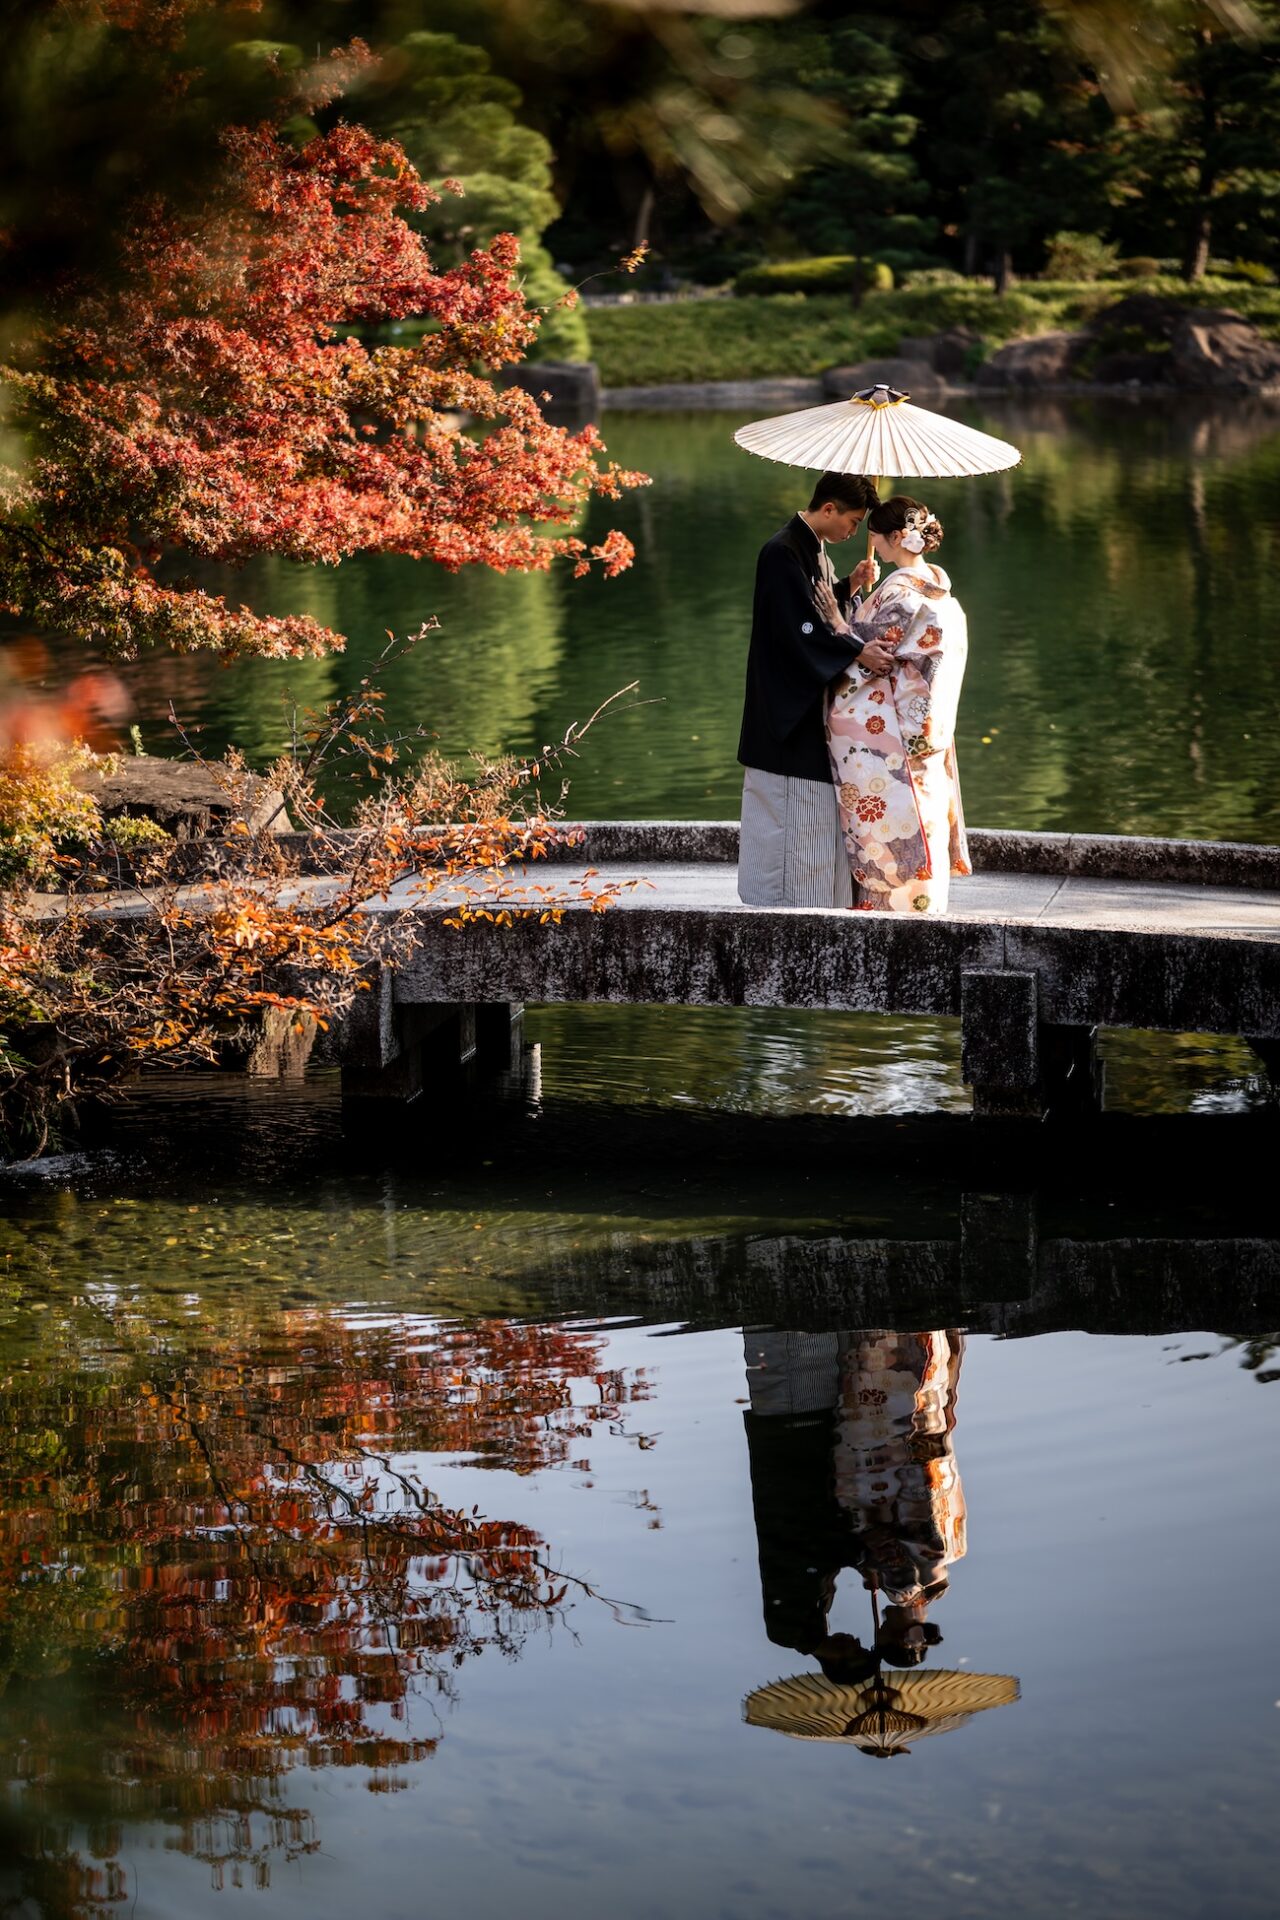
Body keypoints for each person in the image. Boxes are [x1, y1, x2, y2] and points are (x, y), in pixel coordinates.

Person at [736, 472, 898, 908]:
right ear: (829, 509)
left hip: (806, 699)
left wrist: (850, 585)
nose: (854, 531)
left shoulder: (814, 550)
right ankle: (790, 905)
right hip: (786, 706)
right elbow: (799, 629)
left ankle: (814, 901)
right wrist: (857, 650)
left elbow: (819, 610)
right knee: (791, 811)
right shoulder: (782, 552)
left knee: (814, 812)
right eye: (853, 521)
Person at [819, 494, 971, 914]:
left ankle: (890, 912)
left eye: (875, 536)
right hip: (929, 729)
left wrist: (838, 618)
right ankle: (927, 906)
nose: (873, 544)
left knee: (892, 827)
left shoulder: (899, 594)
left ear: (896, 537)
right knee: (927, 813)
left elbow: (866, 652)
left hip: (894, 735)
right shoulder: (940, 589)